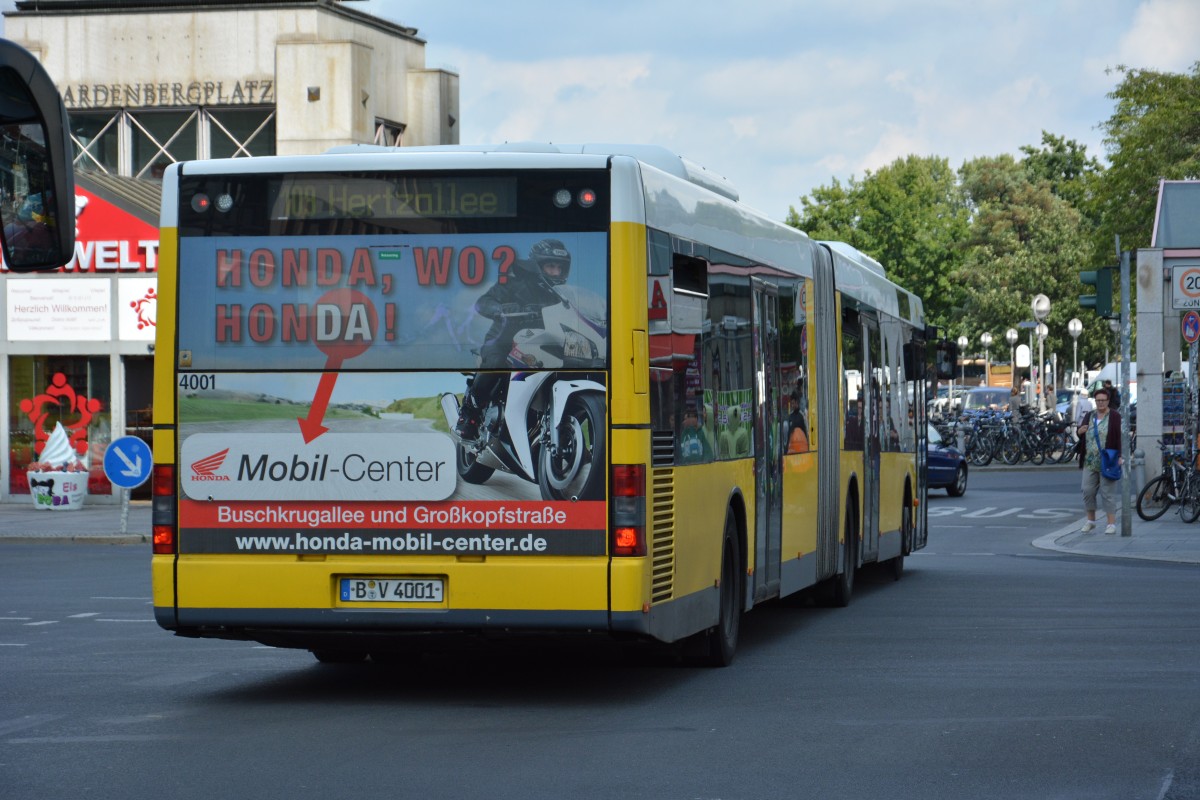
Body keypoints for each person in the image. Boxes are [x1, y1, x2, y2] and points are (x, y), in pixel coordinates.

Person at [455, 238, 572, 439]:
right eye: (550, 266)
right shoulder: (514, 284)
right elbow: (483, 302)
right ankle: (469, 414)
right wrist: (500, 308)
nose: (555, 272)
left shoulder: (562, 295)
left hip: (541, 344)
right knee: (496, 363)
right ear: (538, 266)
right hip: (504, 342)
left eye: (559, 267)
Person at [1076, 386, 1122, 534]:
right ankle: (1091, 520)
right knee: (1087, 490)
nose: (1100, 403)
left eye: (1103, 400)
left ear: (1108, 401)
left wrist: (1120, 456)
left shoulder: (1114, 416)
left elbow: (1119, 437)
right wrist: (1079, 432)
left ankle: (1111, 524)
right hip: (1090, 460)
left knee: (1107, 493)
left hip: (1108, 459)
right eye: (1098, 400)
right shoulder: (1089, 415)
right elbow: (1081, 433)